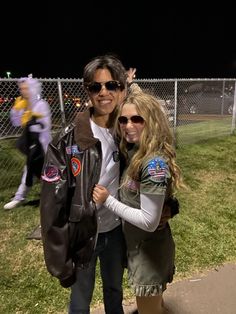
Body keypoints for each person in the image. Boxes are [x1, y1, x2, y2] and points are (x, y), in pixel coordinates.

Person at [40, 54, 129, 314]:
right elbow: (51, 206)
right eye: (96, 86)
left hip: (115, 231)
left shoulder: (128, 131)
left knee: (115, 293)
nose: (104, 92)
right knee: (80, 303)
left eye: (111, 85)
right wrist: (59, 258)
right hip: (83, 235)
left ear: (121, 89)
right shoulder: (66, 141)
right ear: (87, 91)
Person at [93, 91, 185, 314]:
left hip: (149, 252)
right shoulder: (133, 152)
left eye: (137, 119)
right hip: (139, 248)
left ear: (151, 121)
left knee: (149, 309)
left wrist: (108, 201)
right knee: (156, 307)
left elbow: (149, 221)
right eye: (123, 120)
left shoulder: (153, 163)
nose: (128, 125)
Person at [3, 76, 52, 210]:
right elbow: (16, 123)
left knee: (46, 172)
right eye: (21, 89)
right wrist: (17, 110)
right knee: (30, 170)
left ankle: (51, 196)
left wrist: (31, 117)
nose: (23, 91)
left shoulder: (41, 104)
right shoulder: (24, 104)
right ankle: (20, 197)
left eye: (25, 88)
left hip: (43, 146)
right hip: (32, 146)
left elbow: (44, 127)